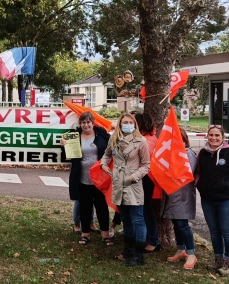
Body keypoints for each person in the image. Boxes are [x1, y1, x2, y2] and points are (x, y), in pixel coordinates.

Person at [195, 125, 229, 276]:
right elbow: (198, 171)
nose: (213, 138)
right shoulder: (203, 153)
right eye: (211, 135)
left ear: (223, 138)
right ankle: (218, 260)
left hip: (228, 199)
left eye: (217, 135)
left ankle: (228, 263)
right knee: (214, 232)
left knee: (227, 232)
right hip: (208, 200)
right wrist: (198, 183)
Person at [100, 112, 150, 266]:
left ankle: (138, 254)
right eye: (124, 122)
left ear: (134, 124)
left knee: (137, 219)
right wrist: (103, 164)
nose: (127, 124)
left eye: (130, 122)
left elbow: (147, 165)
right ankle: (127, 250)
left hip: (132, 184)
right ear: (120, 124)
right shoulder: (114, 139)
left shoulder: (141, 141)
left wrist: (132, 177)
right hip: (118, 184)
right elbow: (106, 155)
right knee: (125, 219)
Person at [62, 111, 112, 245]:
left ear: (93, 123)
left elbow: (111, 149)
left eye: (88, 122)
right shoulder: (74, 136)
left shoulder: (101, 134)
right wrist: (64, 146)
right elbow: (67, 157)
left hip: (99, 178)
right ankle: (85, 234)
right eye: (83, 122)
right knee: (85, 206)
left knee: (102, 206)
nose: (86, 125)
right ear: (80, 124)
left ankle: (105, 235)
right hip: (82, 177)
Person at [164, 128, 198, 269]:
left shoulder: (188, 153)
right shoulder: (172, 153)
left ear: (184, 140)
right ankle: (181, 248)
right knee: (175, 221)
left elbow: (186, 172)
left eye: (180, 139)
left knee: (182, 223)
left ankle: (191, 253)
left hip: (183, 194)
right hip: (173, 194)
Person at [134, 112, 160, 252]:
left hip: (145, 179)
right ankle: (150, 238)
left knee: (145, 210)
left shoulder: (147, 141)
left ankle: (152, 240)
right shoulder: (150, 138)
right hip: (145, 178)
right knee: (145, 210)